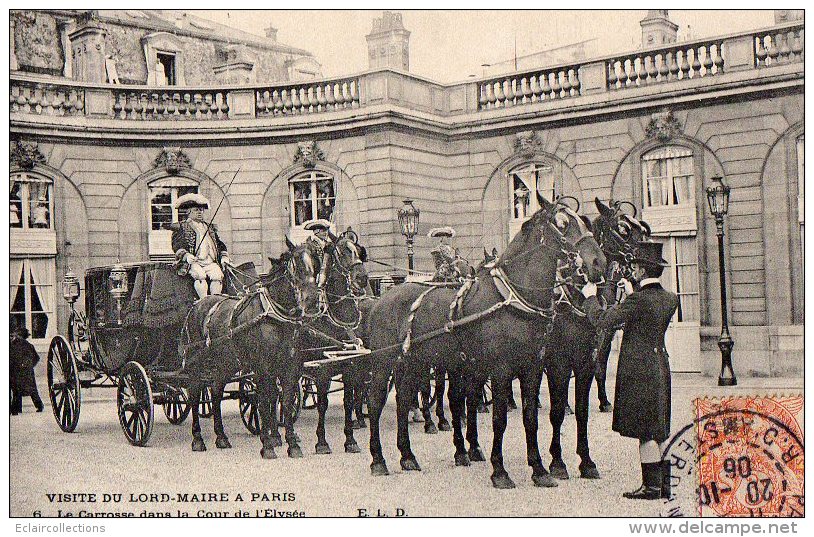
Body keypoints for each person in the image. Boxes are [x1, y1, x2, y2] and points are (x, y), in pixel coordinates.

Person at [580, 241, 678, 500]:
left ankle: (651, 487)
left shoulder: (636, 300)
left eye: (635, 267)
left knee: (645, 432)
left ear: (642, 271)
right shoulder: (670, 299)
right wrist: (630, 294)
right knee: (660, 428)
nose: (632, 271)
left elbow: (603, 321)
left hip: (639, 368)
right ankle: (665, 486)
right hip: (660, 365)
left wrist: (590, 298)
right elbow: (643, 316)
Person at [171, 193, 232, 299]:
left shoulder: (210, 227)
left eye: (201, 210)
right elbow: (176, 245)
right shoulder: (182, 226)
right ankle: (204, 302)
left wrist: (224, 257)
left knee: (217, 275)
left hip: (210, 261)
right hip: (193, 262)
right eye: (196, 210)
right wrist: (186, 256)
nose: (200, 212)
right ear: (189, 212)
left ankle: (215, 301)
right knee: (200, 275)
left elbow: (220, 244)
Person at [10, 327, 45, 415]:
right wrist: (29, 366)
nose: (15, 337)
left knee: (16, 390)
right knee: (32, 390)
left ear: (19, 336)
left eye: (16, 335)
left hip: (17, 371)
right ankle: (39, 406)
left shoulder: (13, 345)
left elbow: (11, 358)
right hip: (26, 372)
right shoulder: (29, 345)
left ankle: (16, 410)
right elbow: (36, 358)